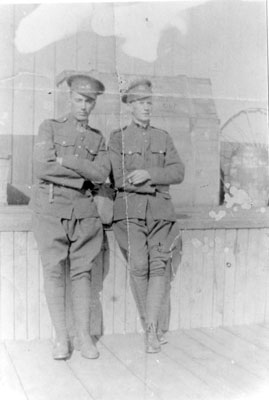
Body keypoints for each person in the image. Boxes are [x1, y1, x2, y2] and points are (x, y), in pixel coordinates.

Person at [30, 71, 110, 360]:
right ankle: (61, 338)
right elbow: (42, 167)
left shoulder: (98, 139)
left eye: (89, 101)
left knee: (82, 274)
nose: (84, 106)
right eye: (79, 99)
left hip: (84, 214)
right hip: (50, 211)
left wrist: (68, 161)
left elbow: (102, 174)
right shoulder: (49, 128)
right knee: (53, 272)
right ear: (70, 98)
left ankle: (84, 337)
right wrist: (80, 177)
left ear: (94, 104)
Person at [108, 79, 184, 353]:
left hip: (160, 214)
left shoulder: (163, 137)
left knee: (159, 268)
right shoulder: (117, 138)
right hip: (129, 213)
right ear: (129, 105)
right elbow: (118, 178)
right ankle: (150, 326)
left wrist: (149, 174)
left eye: (150, 102)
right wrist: (153, 181)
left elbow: (178, 172)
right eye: (140, 102)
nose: (147, 107)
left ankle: (150, 331)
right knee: (139, 266)